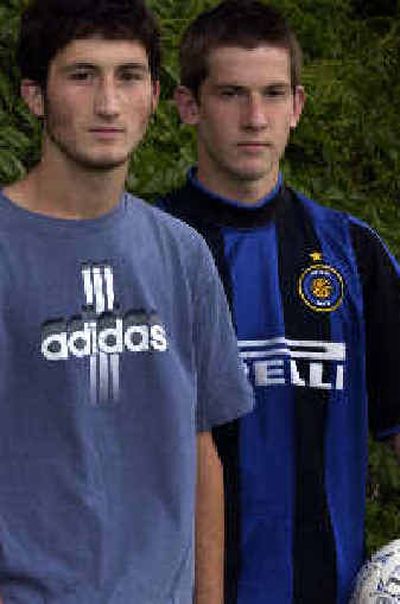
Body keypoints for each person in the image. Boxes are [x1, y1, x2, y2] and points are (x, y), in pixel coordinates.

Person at [0, 0, 254, 602]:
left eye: (129, 76)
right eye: (83, 76)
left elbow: (199, 449)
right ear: (35, 96)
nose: (109, 104)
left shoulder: (183, 253)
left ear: (155, 97)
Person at [158, 2, 400, 603]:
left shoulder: (354, 253)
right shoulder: (143, 249)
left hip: (327, 587)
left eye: (272, 94)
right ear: (189, 105)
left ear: (298, 107)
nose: (255, 118)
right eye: (231, 94)